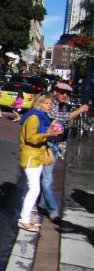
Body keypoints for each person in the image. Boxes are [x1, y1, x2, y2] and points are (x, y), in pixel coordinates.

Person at [38, 82, 90, 222]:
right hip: (47, 145)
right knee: (47, 179)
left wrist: (62, 146)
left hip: (55, 147)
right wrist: (79, 110)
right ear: (56, 92)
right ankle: (53, 210)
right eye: (62, 92)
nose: (65, 95)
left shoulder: (63, 106)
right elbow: (61, 118)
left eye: (67, 93)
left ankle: (42, 204)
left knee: (46, 178)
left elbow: (65, 129)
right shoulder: (51, 104)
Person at [18, 93, 61, 232]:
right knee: (34, 189)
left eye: (50, 104)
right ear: (39, 104)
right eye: (47, 103)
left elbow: (38, 134)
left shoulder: (40, 118)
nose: (49, 106)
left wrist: (49, 129)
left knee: (30, 187)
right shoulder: (34, 117)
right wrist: (48, 134)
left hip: (35, 156)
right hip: (31, 156)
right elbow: (31, 138)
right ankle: (24, 219)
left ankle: (26, 216)